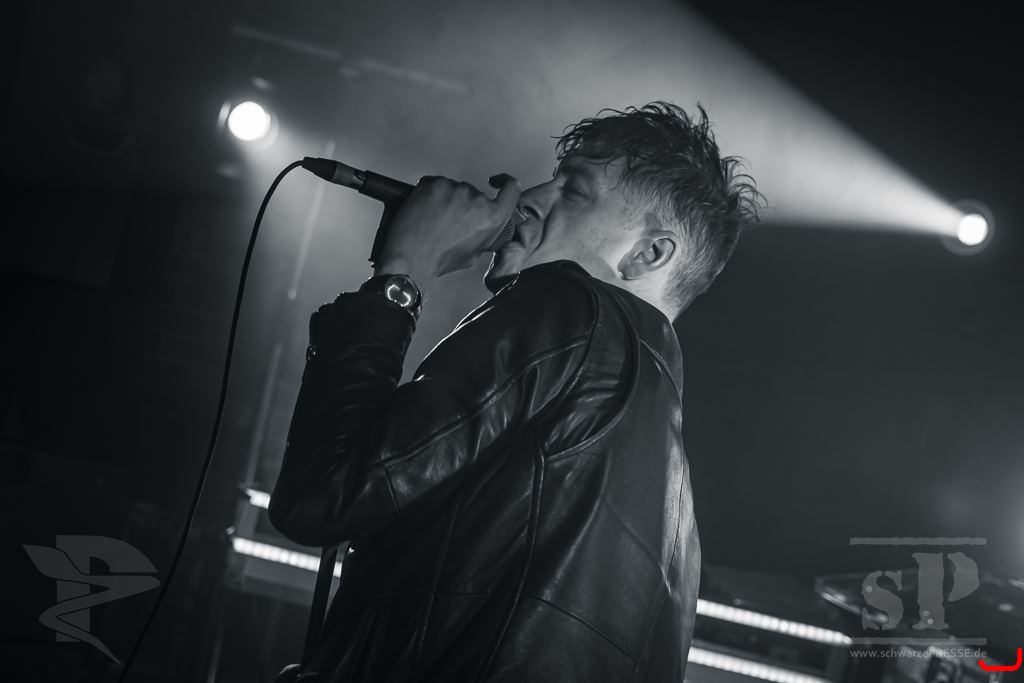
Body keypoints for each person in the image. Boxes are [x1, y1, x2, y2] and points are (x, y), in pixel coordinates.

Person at [269, 101, 761, 682]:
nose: (528, 198)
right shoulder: (680, 520)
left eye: (573, 191)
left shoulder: (568, 307)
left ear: (648, 253)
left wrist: (403, 272)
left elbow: (323, 497)